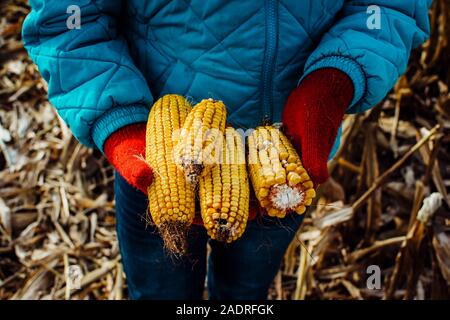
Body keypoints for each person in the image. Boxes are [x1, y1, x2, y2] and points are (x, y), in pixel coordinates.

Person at [22, 0, 431, 299]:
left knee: (246, 292)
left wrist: (333, 81)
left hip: (287, 155)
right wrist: (121, 126)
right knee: (159, 291)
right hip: (154, 158)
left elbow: (389, 6)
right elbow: (70, 18)